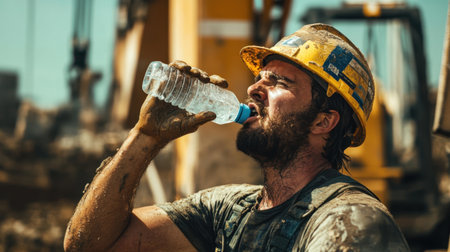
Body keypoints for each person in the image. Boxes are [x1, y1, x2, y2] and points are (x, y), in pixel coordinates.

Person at [64, 23, 410, 251]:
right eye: (260, 78)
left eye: (279, 82)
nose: (254, 88)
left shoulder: (351, 221)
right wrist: (145, 136)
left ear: (324, 121)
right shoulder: (228, 211)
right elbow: (89, 245)